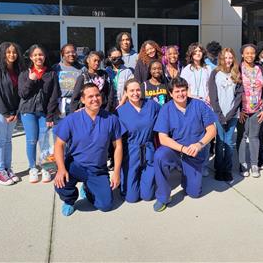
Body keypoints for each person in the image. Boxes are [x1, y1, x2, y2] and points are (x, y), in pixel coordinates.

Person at [54, 83, 124, 216]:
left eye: (97, 95)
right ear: (83, 100)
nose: (95, 99)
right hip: (76, 165)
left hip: (97, 169)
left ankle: (88, 189)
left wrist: (116, 172)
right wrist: (61, 169)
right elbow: (59, 145)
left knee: (105, 205)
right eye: (90, 96)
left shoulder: (111, 119)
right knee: (61, 182)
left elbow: (118, 146)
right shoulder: (72, 119)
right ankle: (69, 200)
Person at [152, 77, 217, 212]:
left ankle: (186, 175)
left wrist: (199, 145)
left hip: (194, 153)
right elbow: (163, 138)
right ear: (171, 93)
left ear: (187, 90)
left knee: (194, 193)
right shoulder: (166, 109)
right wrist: (182, 148)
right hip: (176, 151)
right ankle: (163, 196)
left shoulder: (199, 105)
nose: (181, 94)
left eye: (183, 90)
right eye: (177, 91)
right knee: (159, 155)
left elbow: (212, 130)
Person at [18, 44, 60, 183]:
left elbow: (54, 96)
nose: (38, 57)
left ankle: (46, 168)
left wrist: (50, 115)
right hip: (28, 112)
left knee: (45, 141)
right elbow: (22, 94)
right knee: (31, 140)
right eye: (35, 55)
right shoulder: (25, 73)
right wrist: (31, 80)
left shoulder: (51, 73)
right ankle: (32, 168)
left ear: (44, 56)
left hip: (43, 112)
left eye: (40, 54)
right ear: (31, 57)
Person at [116, 79, 160, 203]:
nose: (135, 93)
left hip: (148, 149)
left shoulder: (152, 105)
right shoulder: (120, 111)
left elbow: (167, 113)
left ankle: (145, 181)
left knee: (147, 196)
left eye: (137, 90)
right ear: (125, 92)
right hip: (131, 152)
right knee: (131, 198)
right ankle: (129, 182)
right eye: (131, 90)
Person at [0, 42, 24, 186]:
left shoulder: (17, 70)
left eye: (14, 52)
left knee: (8, 140)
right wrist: (5, 113)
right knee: (1, 141)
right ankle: (0, 171)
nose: (11, 55)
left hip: (12, 112)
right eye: (8, 52)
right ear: (2, 53)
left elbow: (19, 93)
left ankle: (8, 169)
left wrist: (16, 112)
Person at [208, 48, 243, 182]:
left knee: (229, 142)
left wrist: (230, 114)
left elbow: (239, 96)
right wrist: (220, 115)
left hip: (232, 115)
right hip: (218, 114)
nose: (228, 60)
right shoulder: (215, 73)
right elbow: (213, 96)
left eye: (230, 58)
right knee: (219, 142)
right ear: (221, 59)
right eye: (226, 58)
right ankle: (218, 169)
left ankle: (227, 169)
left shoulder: (236, 73)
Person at [180, 42, 213, 176]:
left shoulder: (208, 68)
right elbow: (183, 87)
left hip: (206, 105)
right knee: (192, 134)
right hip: (192, 104)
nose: (198, 53)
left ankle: (204, 164)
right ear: (191, 54)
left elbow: (211, 86)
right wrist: (192, 96)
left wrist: (210, 97)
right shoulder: (187, 69)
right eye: (195, 51)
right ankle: (190, 162)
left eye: (200, 51)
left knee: (206, 135)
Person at [238, 44, 263, 178]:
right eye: (247, 53)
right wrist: (238, 110)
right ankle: (242, 163)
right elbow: (234, 90)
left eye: (252, 53)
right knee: (242, 137)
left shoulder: (260, 69)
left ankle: (255, 164)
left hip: (258, 109)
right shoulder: (237, 69)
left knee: (255, 137)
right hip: (243, 110)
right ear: (242, 55)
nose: (250, 55)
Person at [53, 43, 85, 118]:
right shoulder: (56, 68)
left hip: (76, 104)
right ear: (62, 54)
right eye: (67, 52)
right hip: (60, 104)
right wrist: (54, 106)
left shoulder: (82, 69)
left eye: (73, 52)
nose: (71, 54)